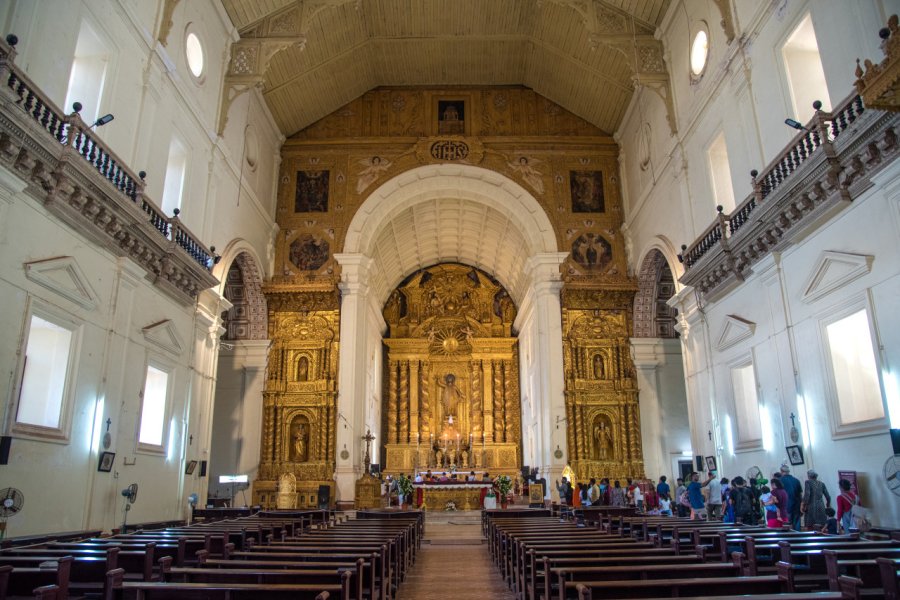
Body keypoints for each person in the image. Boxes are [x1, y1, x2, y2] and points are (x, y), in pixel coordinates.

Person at [779, 466, 803, 530]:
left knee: (787, 525)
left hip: (786, 505)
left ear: (781, 471)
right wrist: (801, 505)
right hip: (797, 505)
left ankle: (789, 538)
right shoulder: (796, 480)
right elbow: (800, 494)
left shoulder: (780, 480)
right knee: (797, 524)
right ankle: (798, 537)